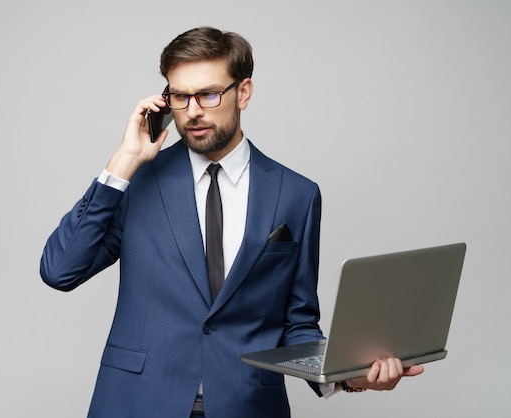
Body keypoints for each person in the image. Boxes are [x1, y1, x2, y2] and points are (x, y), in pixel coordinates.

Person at [40, 26, 423, 418]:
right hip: (137, 402)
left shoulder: (297, 195)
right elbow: (60, 270)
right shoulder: (135, 181)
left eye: (208, 94)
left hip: (248, 405)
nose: (192, 111)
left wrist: (350, 374)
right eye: (179, 96)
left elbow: (298, 323)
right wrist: (124, 159)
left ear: (243, 92)